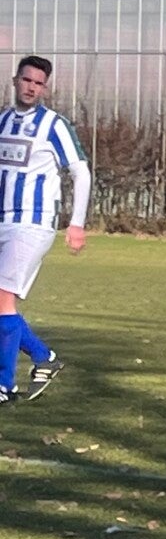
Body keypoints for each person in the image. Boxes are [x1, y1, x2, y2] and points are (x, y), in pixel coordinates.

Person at [0, 55, 88, 404]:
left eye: (38, 83)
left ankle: (4, 385)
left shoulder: (54, 125)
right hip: (3, 220)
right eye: (27, 80)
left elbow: (81, 172)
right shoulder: (3, 121)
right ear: (15, 81)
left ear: (45, 88)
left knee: (3, 298)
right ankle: (43, 357)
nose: (31, 88)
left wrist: (76, 223)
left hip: (33, 223)